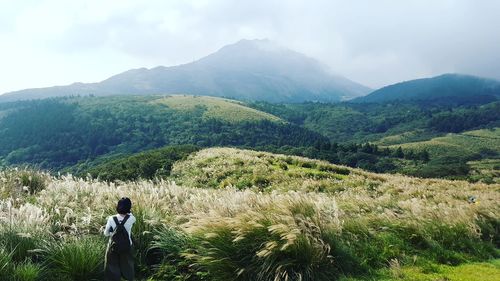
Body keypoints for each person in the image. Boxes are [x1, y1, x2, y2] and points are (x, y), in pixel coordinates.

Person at [104, 197, 136, 281]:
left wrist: (112, 232)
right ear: (129, 207)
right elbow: (131, 215)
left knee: (112, 266)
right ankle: (128, 278)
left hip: (113, 247)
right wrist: (129, 211)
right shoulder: (132, 219)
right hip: (126, 246)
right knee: (128, 265)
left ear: (118, 206)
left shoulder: (111, 218)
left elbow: (106, 233)